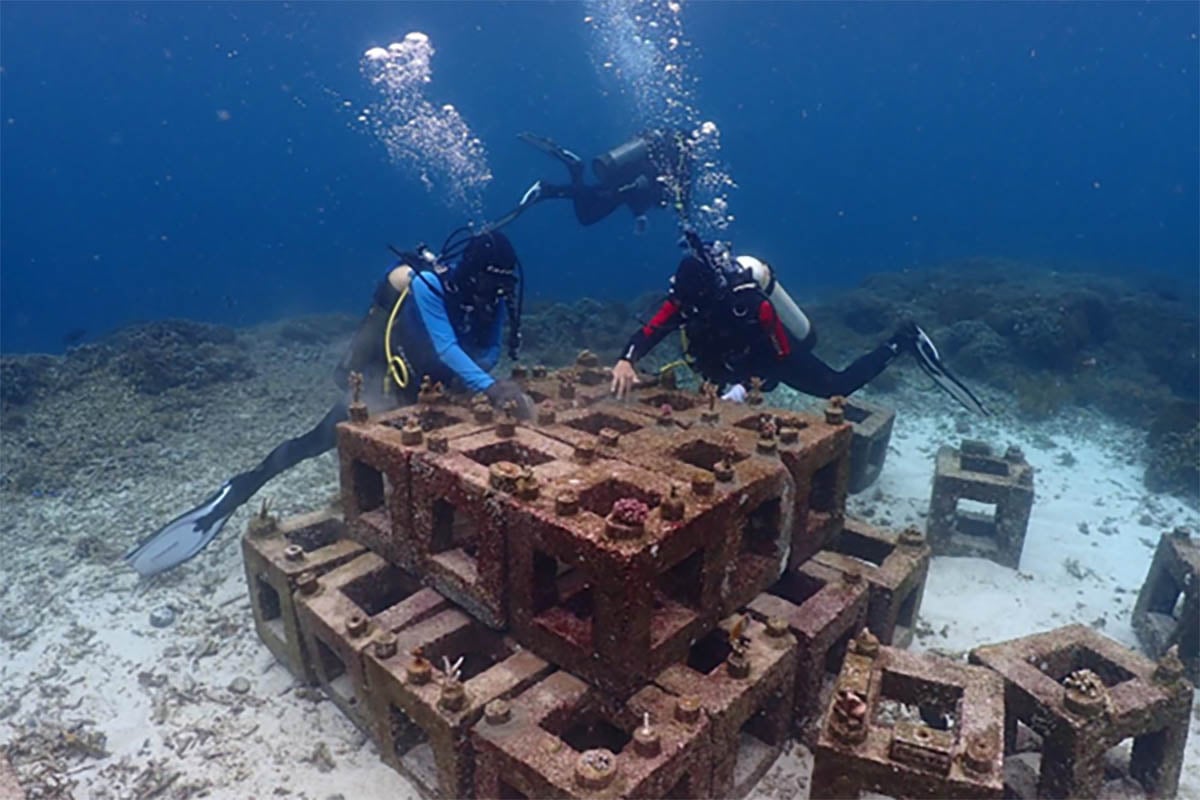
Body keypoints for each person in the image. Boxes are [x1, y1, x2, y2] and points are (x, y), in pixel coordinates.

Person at [126, 229, 536, 578]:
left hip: (438, 390)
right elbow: (445, 346)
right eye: (490, 283)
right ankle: (233, 494)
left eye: (502, 285)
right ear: (471, 273)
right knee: (317, 441)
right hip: (388, 382)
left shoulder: (494, 299)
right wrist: (490, 388)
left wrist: (477, 380)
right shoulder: (429, 285)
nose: (496, 293)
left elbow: (490, 348)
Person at [610, 232, 988, 414]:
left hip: (771, 353)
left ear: (712, 293)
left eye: (692, 303)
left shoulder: (749, 304)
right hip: (726, 360)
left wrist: (743, 388)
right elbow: (650, 331)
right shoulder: (684, 300)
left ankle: (902, 340)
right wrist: (627, 359)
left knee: (836, 386)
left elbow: (777, 358)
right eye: (682, 303)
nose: (685, 309)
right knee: (713, 387)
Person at [512, 129, 691, 233]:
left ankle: (573, 170)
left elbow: (646, 186)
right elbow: (647, 183)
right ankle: (547, 189)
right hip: (621, 189)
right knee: (588, 209)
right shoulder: (676, 165)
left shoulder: (667, 159)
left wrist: (638, 214)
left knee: (586, 214)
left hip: (621, 186)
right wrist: (633, 203)